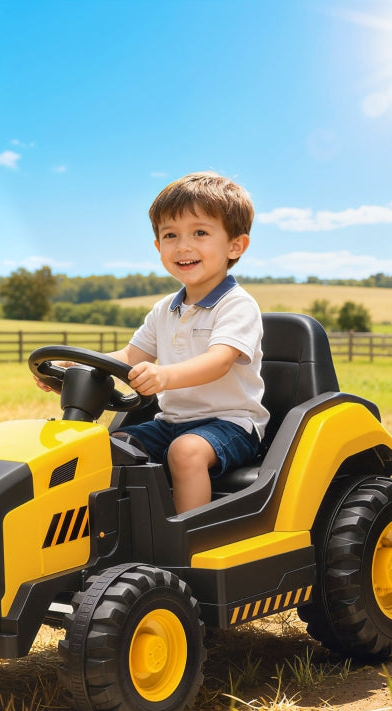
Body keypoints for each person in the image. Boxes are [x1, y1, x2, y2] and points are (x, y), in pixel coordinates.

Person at [39, 171, 269, 513]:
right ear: (159, 247)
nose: (184, 246)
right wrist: (78, 366)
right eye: (171, 235)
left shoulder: (237, 305)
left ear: (235, 245)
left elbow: (219, 360)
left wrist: (165, 376)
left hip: (232, 424)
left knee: (185, 452)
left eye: (200, 233)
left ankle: (186, 539)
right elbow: (130, 355)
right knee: (111, 445)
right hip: (171, 422)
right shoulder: (165, 309)